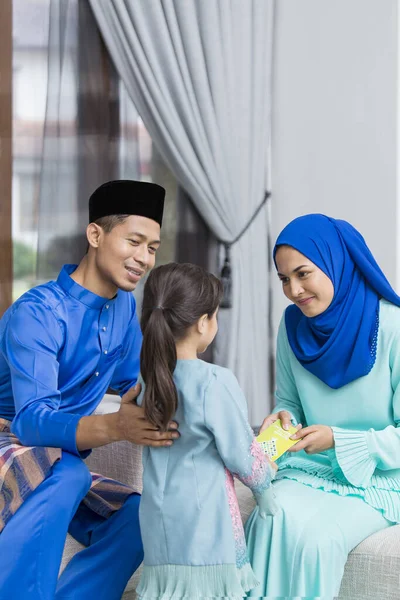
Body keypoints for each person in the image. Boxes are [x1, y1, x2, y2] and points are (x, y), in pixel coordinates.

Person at [0, 180, 180, 600]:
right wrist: (118, 425)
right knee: (67, 474)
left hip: (56, 458)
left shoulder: (121, 309)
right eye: (134, 241)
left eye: (152, 247)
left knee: (140, 515)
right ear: (95, 235)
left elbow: (140, 382)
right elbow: (31, 423)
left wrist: (209, 401)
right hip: (11, 438)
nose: (144, 258)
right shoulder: (37, 313)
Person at [245, 213, 400, 598]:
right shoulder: (292, 326)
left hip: (382, 478)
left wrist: (338, 440)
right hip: (311, 469)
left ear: (336, 262)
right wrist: (277, 429)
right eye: (284, 279)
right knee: (267, 517)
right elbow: (288, 404)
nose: (294, 290)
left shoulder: (393, 328)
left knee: (316, 540)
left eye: (303, 273)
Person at [133, 262, 277, 600]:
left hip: (158, 525)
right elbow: (242, 456)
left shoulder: (147, 379)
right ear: (202, 323)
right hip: (207, 528)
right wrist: (266, 487)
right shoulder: (215, 381)